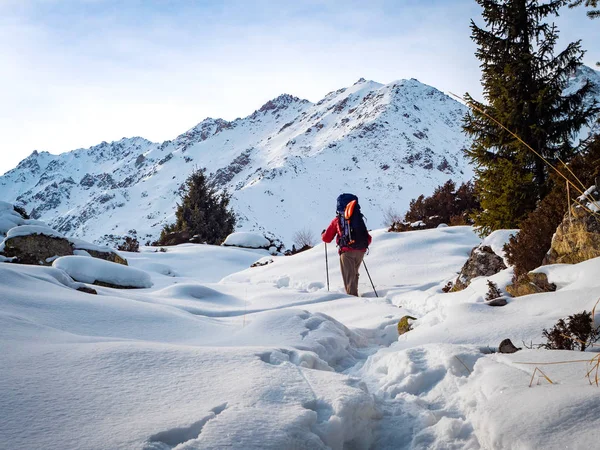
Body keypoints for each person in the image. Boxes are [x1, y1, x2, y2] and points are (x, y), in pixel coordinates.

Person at [321, 194, 372, 296]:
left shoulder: (338, 220)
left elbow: (326, 238)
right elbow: (367, 237)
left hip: (346, 251)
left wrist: (323, 234)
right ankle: (355, 295)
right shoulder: (358, 217)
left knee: (349, 277)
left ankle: (353, 300)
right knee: (354, 274)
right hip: (361, 250)